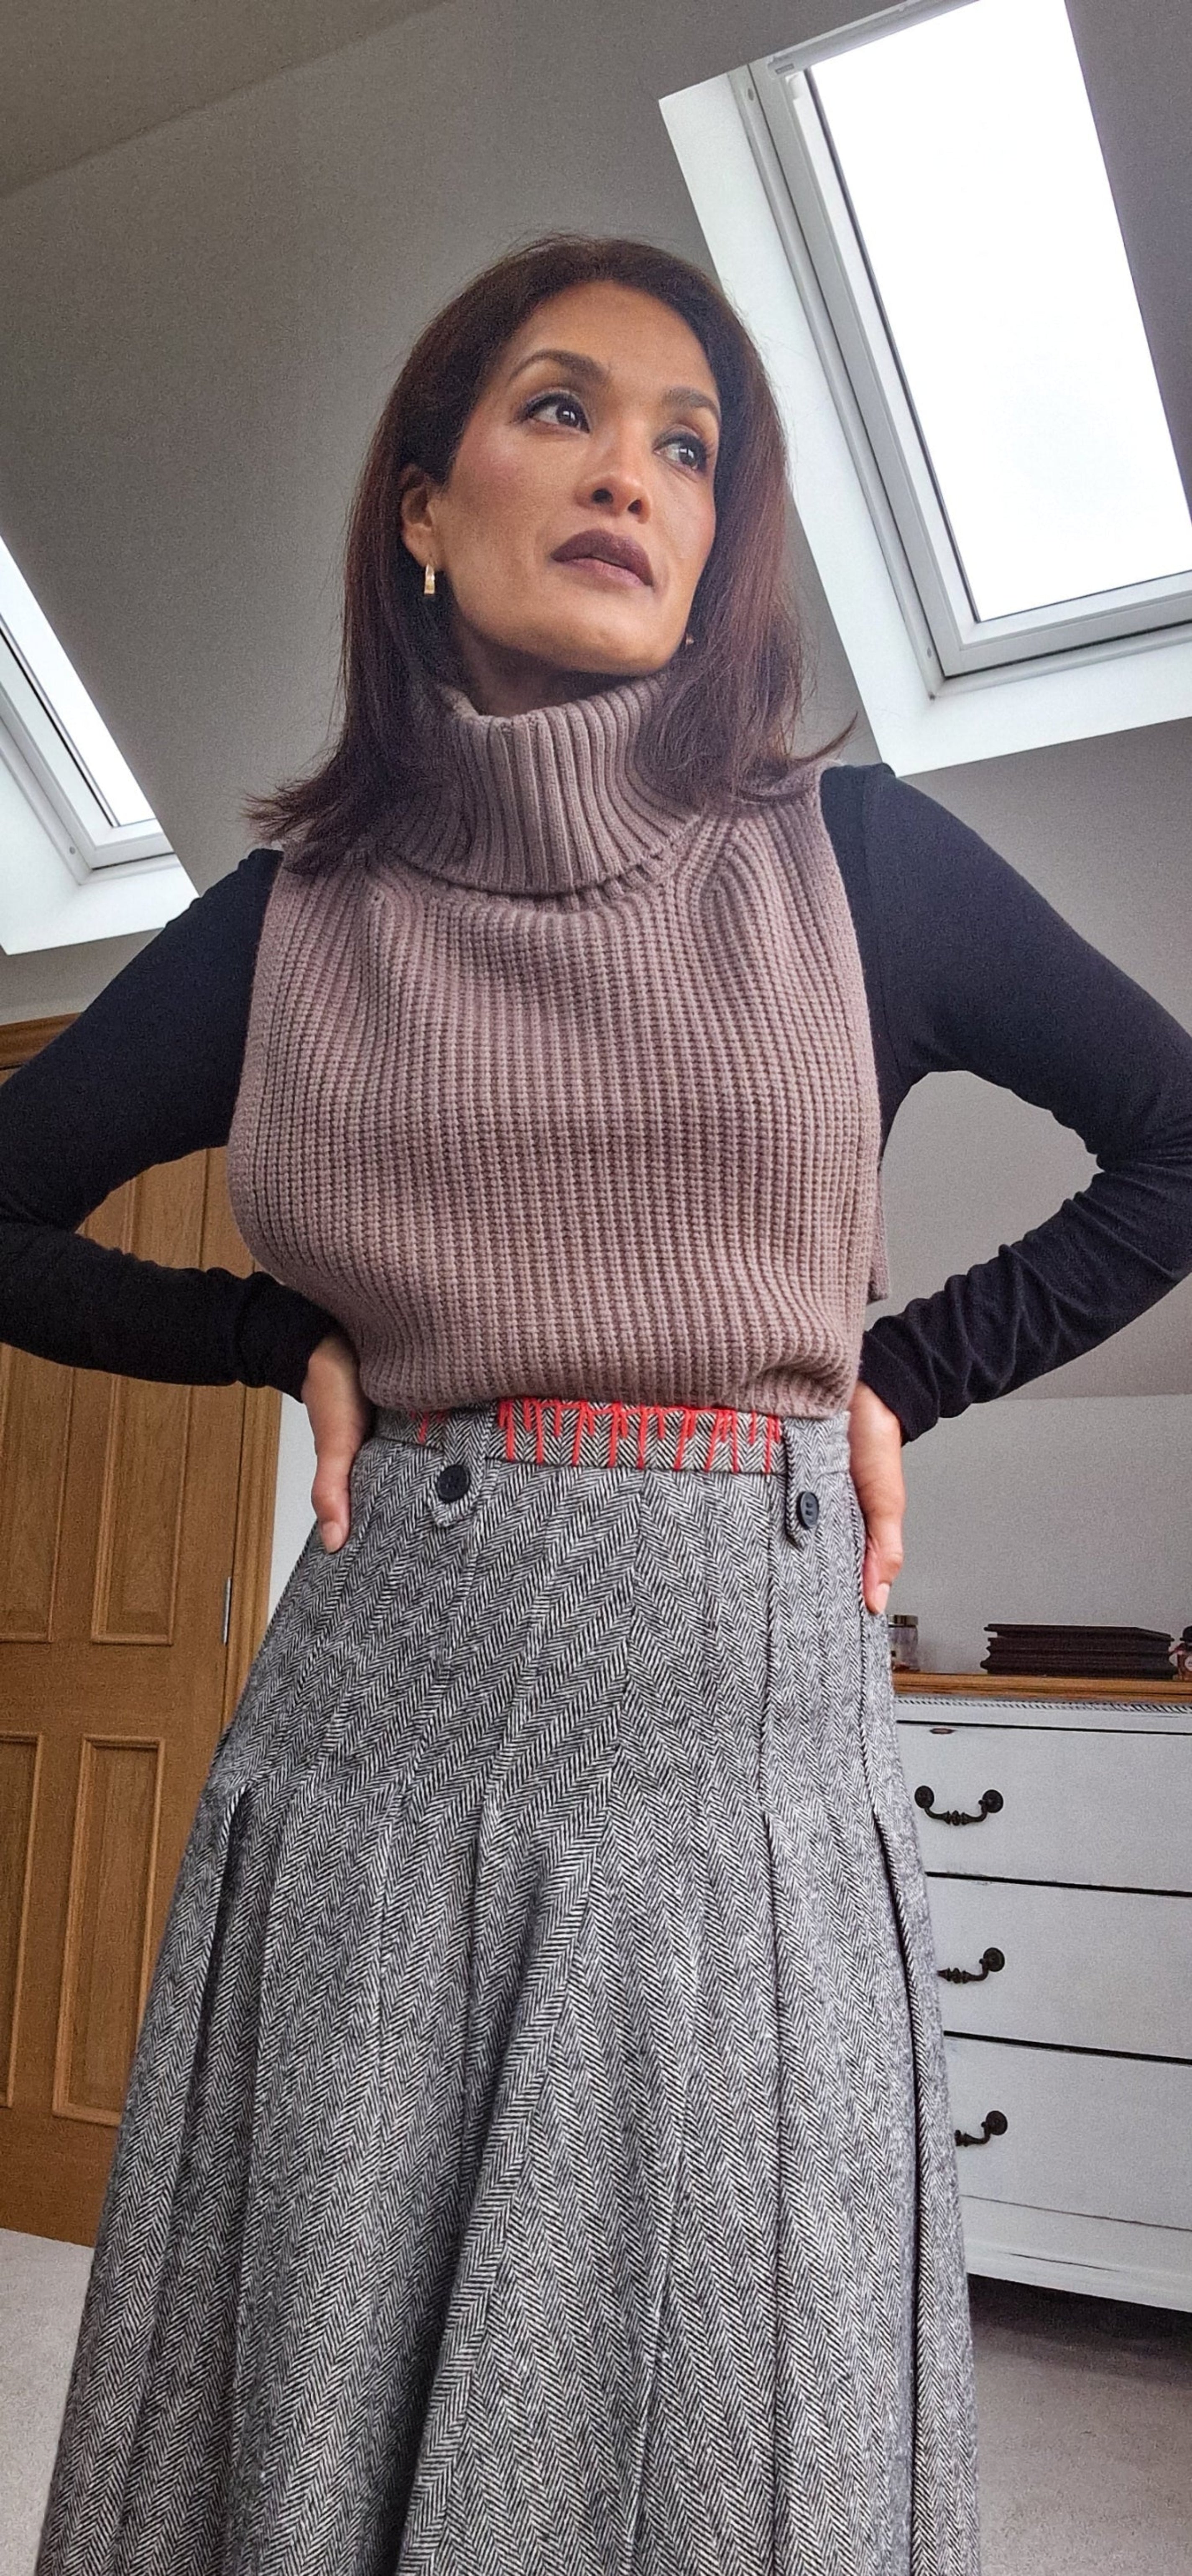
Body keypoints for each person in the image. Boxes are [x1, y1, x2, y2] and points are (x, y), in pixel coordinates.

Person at [9, 231, 1192, 2576]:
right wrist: (270, 1336)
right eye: (561, 410)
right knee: (314, 2387)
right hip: (375, 1724)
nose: (634, 472)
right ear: (423, 509)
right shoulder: (285, 919)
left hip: (743, 1736)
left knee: (727, 2425)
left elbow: (1171, 1137)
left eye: (688, 444)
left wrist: (900, 1367)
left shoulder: (853, 864)